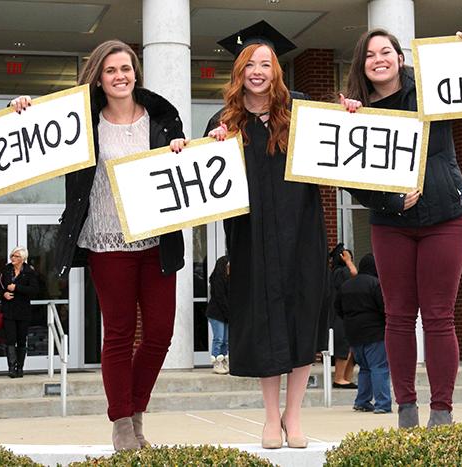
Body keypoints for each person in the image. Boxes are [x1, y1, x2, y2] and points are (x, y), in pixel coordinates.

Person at [10, 39, 186, 450]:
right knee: (120, 333)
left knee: (160, 333)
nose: (120, 76)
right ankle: (123, 423)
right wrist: (21, 110)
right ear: (99, 78)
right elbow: (35, 136)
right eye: (110, 71)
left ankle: (135, 409)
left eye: (126, 68)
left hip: (158, 240)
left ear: (135, 72)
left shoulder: (162, 118)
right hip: (107, 240)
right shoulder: (82, 121)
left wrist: (181, 148)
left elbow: (180, 166)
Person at [171, 21, 328, 449]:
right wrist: (201, 146)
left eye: (266, 63)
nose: (257, 71)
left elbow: (338, 151)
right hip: (251, 239)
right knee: (262, 325)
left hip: (301, 234)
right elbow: (200, 180)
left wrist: (348, 115)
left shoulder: (301, 109)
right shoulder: (223, 121)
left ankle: (293, 416)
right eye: (249, 64)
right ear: (238, 72)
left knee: (300, 321)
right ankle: (269, 419)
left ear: (276, 70)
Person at [339, 28, 462, 428]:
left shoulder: (434, 86)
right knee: (398, 316)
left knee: (439, 316)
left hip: (446, 217)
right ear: (361, 66)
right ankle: (405, 408)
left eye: (386, 51)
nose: (379, 59)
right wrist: (390, 200)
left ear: (400, 58)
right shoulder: (356, 111)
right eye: (369, 54)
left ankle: (442, 411)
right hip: (391, 223)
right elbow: (353, 180)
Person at [335, 253, 391, 414]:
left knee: (365, 368)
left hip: (353, 334)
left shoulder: (347, 285)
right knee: (379, 367)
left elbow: (337, 308)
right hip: (375, 333)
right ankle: (382, 404)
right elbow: (384, 308)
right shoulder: (376, 284)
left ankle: (362, 401)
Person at [0, 246, 39, 379]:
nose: (13, 258)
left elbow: (34, 290)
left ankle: (20, 368)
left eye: (16, 256)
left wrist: (17, 287)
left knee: (22, 340)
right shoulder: (6, 270)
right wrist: (4, 293)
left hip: (23, 311)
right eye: (12, 256)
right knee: (10, 339)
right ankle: (11, 367)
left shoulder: (29, 272)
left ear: (22, 258)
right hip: (8, 310)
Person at [329, 244, 358, 389]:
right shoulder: (340, 272)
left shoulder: (335, 272)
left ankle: (346, 377)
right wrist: (348, 261)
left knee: (350, 347)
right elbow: (354, 273)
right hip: (339, 315)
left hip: (343, 313)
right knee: (343, 345)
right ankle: (339, 378)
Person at [206, 255, 230, 374]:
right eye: (228, 266)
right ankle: (216, 362)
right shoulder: (217, 280)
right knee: (219, 338)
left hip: (226, 314)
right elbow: (220, 298)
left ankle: (224, 360)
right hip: (216, 314)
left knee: (226, 340)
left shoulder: (229, 280)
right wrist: (228, 311)